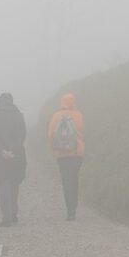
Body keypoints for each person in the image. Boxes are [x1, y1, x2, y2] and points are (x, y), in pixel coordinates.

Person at [0, 92, 27, 227]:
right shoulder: (19, 116)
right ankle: (14, 213)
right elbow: (22, 135)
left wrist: (1, 151)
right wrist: (13, 150)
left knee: (3, 184)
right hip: (17, 155)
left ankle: (6, 217)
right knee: (14, 183)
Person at [47, 92, 84, 221]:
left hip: (61, 155)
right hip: (76, 153)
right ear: (73, 102)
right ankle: (73, 209)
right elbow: (82, 131)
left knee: (66, 181)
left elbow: (51, 135)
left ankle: (69, 211)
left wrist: (55, 148)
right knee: (74, 180)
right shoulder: (78, 115)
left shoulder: (56, 116)